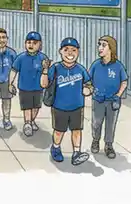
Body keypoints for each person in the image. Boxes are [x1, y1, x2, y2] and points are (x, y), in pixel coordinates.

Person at [42, 37, 92, 165]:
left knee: (77, 131)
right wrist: (45, 70)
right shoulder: (56, 67)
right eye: (66, 50)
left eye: (73, 50)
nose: (70, 53)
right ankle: (56, 147)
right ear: (60, 51)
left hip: (77, 106)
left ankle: (76, 153)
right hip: (59, 106)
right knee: (59, 131)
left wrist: (88, 89)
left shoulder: (80, 69)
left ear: (78, 52)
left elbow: (89, 83)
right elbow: (44, 84)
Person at [88, 35, 128, 159]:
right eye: (99, 45)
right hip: (98, 100)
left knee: (111, 124)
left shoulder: (118, 66)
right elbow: (89, 81)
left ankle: (108, 145)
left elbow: (124, 82)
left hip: (112, 101)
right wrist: (91, 90)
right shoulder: (95, 65)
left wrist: (118, 95)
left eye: (103, 45)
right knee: (96, 122)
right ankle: (95, 141)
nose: (100, 48)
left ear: (111, 48)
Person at [10, 31, 49, 137]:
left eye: (34, 43)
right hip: (24, 87)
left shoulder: (43, 58)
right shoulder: (21, 57)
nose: (31, 45)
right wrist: (10, 83)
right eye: (29, 42)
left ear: (40, 44)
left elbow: (47, 73)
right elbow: (14, 70)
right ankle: (27, 123)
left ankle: (31, 121)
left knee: (36, 106)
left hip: (38, 87)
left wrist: (46, 68)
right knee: (27, 106)